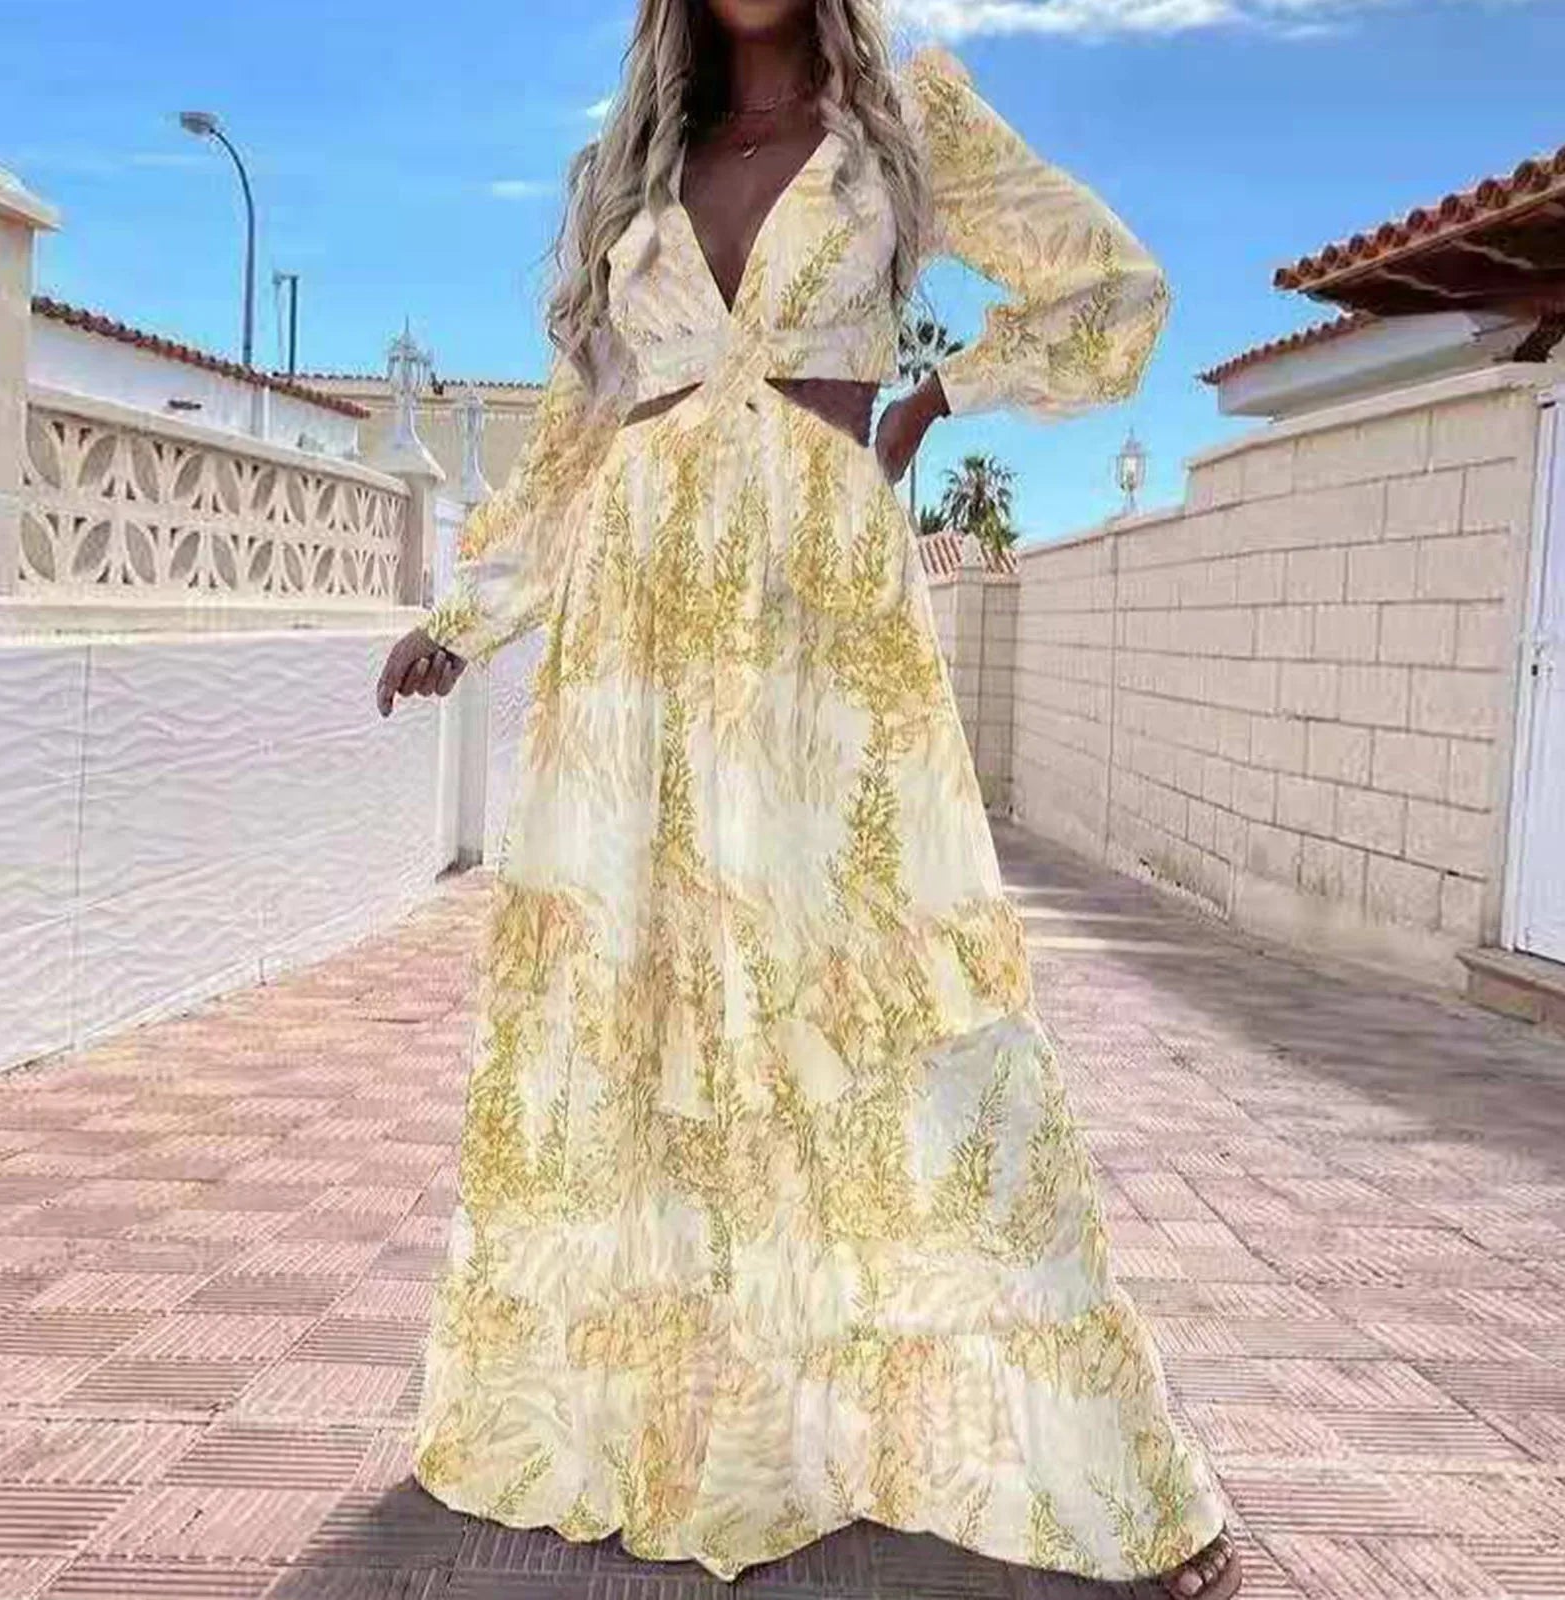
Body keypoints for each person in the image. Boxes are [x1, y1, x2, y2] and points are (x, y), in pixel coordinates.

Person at [376, 2, 1238, 1595]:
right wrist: (469, 615)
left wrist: (938, 396)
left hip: (821, 621)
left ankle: (1088, 1455)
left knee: (898, 1003)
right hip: (642, 638)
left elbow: (1111, 283)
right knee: (658, 1012)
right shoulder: (637, 169)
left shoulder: (908, 129)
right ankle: (717, 1427)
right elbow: (580, 435)